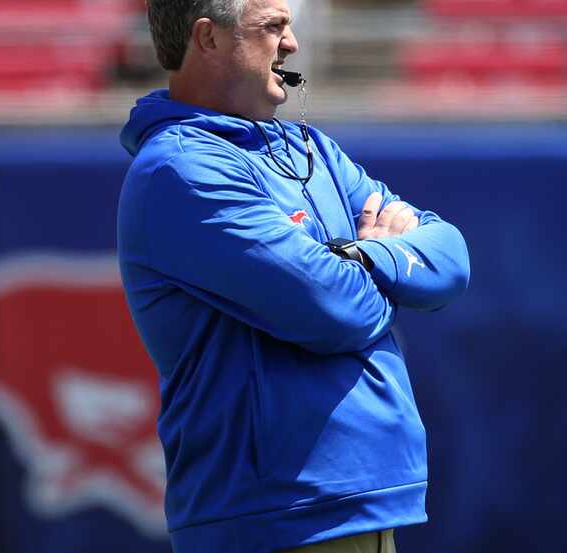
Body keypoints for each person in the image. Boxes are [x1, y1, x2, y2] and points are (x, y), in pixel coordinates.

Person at [116, 1, 470, 552]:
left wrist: (361, 259)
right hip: (277, 515)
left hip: (354, 506)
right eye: (273, 27)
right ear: (207, 39)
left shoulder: (309, 149)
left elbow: (450, 258)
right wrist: (381, 263)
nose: (292, 44)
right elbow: (336, 309)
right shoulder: (181, 169)